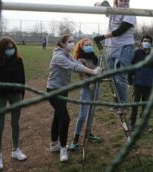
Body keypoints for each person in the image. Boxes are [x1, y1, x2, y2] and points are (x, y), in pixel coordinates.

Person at [46, 34, 102, 162]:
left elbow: (76, 63)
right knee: (65, 119)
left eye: (73, 41)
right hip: (54, 91)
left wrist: (86, 65)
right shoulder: (59, 57)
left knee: (57, 117)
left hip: (63, 90)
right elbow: (74, 67)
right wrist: (92, 71)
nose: (72, 43)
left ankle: (54, 144)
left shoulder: (67, 55)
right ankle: (63, 149)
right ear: (63, 44)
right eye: (70, 42)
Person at [0, 37, 27, 170]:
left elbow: (22, 78)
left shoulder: (18, 60)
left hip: (16, 94)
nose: (11, 50)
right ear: (1, 49)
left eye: (13, 48)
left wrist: (21, 93)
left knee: (15, 122)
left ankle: (15, 149)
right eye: (8, 48)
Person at [94, 0, 136, 115]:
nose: (123, 2)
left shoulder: (130, 12)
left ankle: (123, 105)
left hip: (125, 47)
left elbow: (120, 31)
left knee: (120, 76)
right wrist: (102, 3)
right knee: (113, 77)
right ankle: (117, 103)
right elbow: (98, 6)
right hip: (111, 48)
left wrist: (102, 36)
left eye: (125, 0)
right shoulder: (113, 11)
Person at [69, 38, 102, 150]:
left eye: (90, 44)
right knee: (83, 115)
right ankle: (75, 140)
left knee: (92, 113)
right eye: (86, 45)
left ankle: (89, 133)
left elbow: (101, 73)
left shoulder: (95, 57)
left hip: (96, 88)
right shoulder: (80, 60)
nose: (89, 46)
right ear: (82, 47)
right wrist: (94, 76)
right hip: (87, 88)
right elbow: (83, 76)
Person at [128, 35, 153, 131]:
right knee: (135, 104)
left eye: (148, 41)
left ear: (151, 43)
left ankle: (144, 124)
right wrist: (130, 81)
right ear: (142, 42)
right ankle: (132, 123)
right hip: (137, 83)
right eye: (145, 40)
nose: (146, 42)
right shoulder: (137, 53)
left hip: (149, 84)